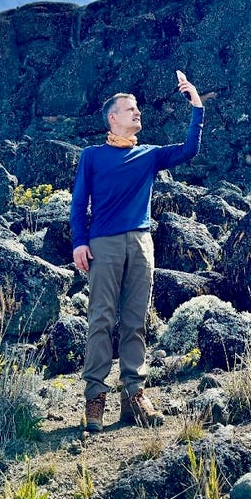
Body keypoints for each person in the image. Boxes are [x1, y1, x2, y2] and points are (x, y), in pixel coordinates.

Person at [70, 73, 204, 432]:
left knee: (135, 320)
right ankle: (95, 398)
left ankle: (134, 395)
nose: (137, 113)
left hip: (141, 243)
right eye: (130, 109)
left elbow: (188, 150)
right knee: (100, 318)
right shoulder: (92, 157)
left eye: (138, 109)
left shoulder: (148, 156)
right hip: (103, 245)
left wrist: (196, 106)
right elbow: (79, 202)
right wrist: (79, 242)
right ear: (112, 117)